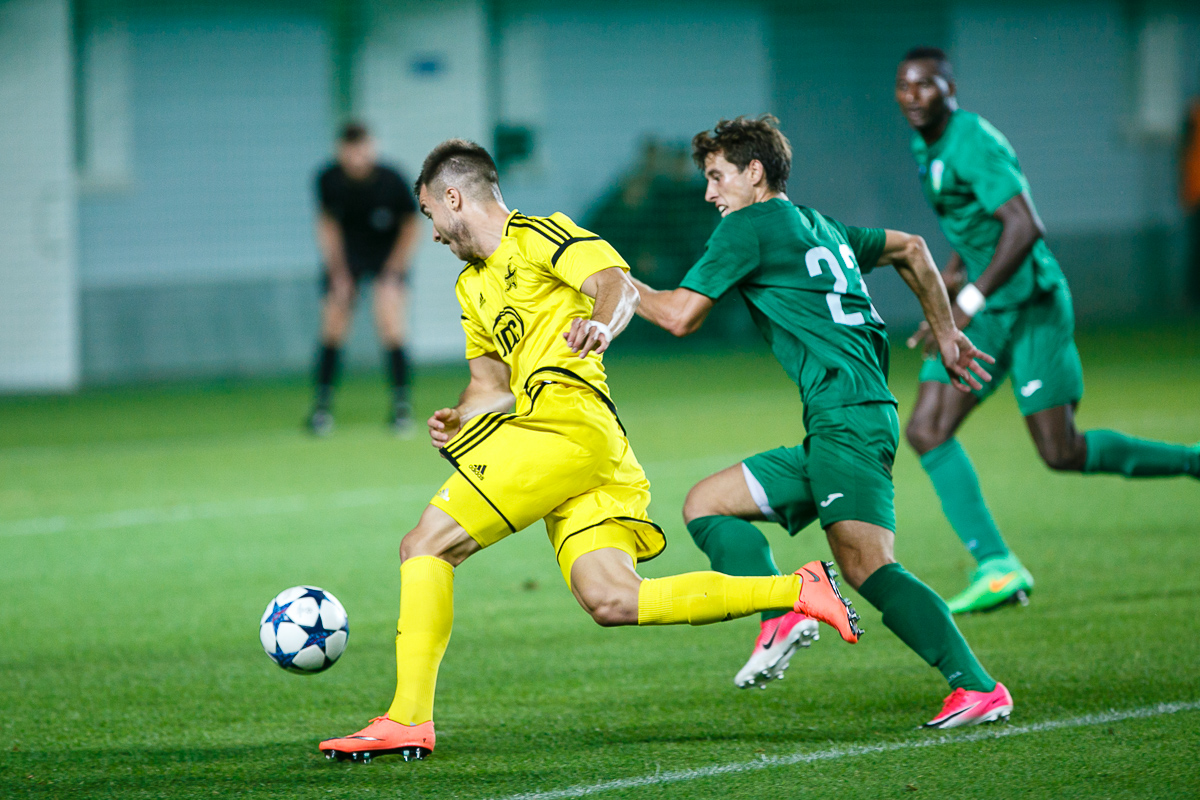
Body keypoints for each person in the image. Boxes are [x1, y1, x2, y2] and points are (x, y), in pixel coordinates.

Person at [317, 139, 865, 764]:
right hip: (583, 448)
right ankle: (797, 589)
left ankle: (407, 719)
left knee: (425, 546)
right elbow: (490, 386)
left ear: (453, 198)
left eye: (430, 214)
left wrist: (602, 323)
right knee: (613, 599)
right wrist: (459, 416)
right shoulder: (472, 287)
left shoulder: (540, 235)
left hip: (566, 428)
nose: (434, 233)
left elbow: (615, 285)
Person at [631, 115, 1012, 728]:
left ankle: (976, 686)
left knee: (867, 565)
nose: (709, 193)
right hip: (844, 420)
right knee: (706, 504)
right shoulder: (819, 225)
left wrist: (615, 283)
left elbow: (680, 316)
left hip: (848, 419)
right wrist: (945, 334)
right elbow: (913, 248)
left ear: (755, 173)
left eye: (718, 177)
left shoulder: (748, 227)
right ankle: (782, 610)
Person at [895, 47, 1200, 614]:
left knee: (1061, 451)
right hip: (988, 309)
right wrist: (950, 287)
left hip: (1032, 305)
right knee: (927, 429)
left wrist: (967, 300)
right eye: (904, 86)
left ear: (951, 89)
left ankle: (1193, 461)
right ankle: (997, 566)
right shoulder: (926, 142)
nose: (913, 96)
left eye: (926, 85)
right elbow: (970, 222)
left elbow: (1024, 225)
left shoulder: (972, 140)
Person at [307, 121, 420, 436]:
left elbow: (411, 226)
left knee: (391, 323)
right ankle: (321, 408)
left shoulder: (392, 180)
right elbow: (327, 225)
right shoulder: (328, 179)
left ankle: (401, 407)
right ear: (341, 151)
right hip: (347, 258)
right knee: (333, 325)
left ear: (372, 147)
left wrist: (394, 271)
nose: (357, 157)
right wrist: (338, 272)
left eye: (362, 149)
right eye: (350, 150)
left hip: (386, 257)